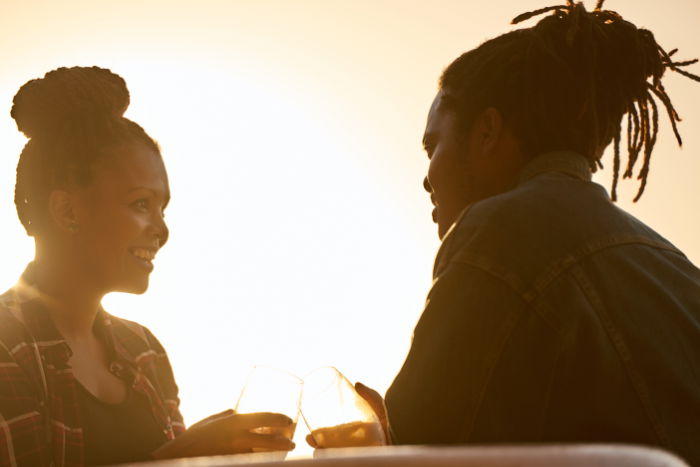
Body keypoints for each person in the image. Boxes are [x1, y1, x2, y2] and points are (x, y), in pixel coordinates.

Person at [316, 1, 700, 465]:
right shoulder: (672, 264)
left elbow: (423, 451)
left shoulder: (503, 232)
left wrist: (376, 447)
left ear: (487, 133)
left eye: (433, 144)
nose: (426, 176)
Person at [0, 66, 295, 466]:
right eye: (141, 203)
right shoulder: (7, 349)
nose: (162, 231)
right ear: (67, 209)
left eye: (163, 208)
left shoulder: (144, 351)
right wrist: (180, 455)